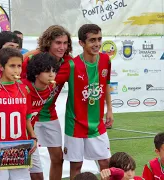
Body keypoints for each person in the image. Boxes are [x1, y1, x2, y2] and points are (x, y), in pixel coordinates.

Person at [55, 24, 113, 179]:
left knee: (106, 163)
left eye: (99, 39)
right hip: (75, 124)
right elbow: (50, 83)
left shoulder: (106, 59)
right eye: (92, 40)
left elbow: (106, 84)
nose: (97, 44)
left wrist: (110, 110)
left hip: (97, 123)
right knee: (76, 166)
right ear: (81, 43)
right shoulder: (71, 65)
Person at [0, 48, 37, 180]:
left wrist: (33, 137)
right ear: (1, 66)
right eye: (12, 66)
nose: (16, 70)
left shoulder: (25, 89)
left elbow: (27, 118)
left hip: (20, 149)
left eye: (19, 66)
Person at [22, 52, 63, 180]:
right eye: (47, 71)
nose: (52, 74)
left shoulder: (50, 87)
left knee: (38, 176)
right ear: (36, 73)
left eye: (54, 70)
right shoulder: (23, 88)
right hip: (17, 138)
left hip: (29, 136)